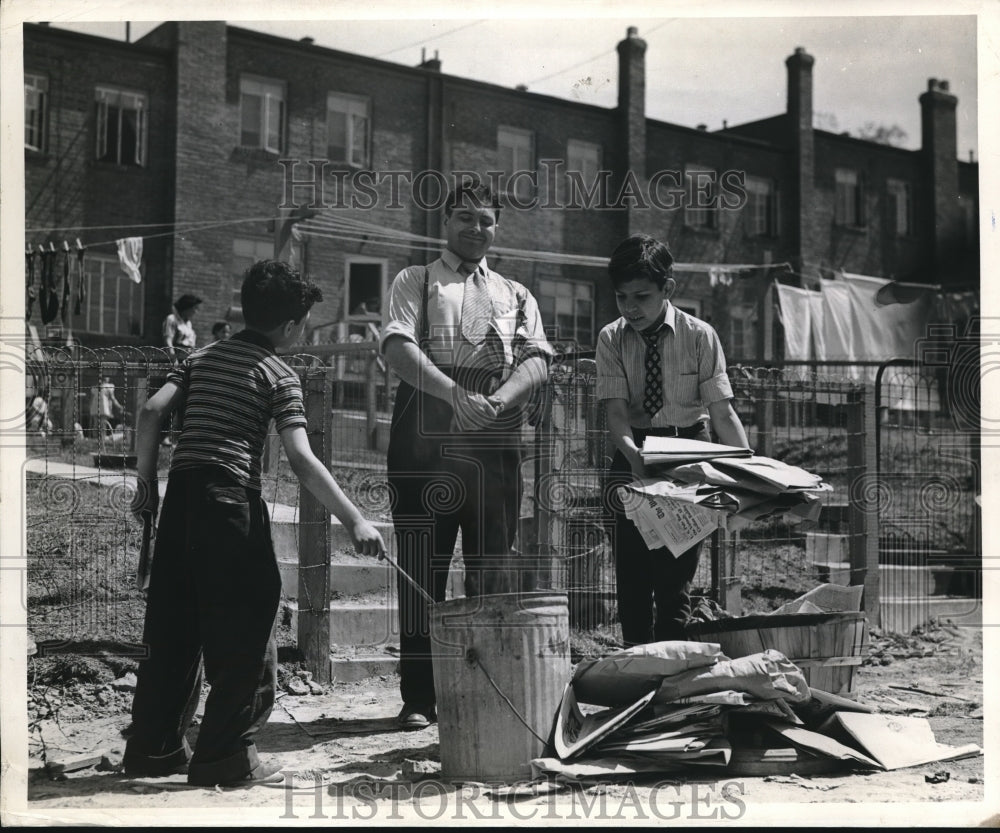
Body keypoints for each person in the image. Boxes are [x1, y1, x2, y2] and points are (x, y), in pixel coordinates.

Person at [124, 260, 385, 787]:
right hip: (229, 503)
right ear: (291, 326)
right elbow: (301, 458)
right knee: (248, 624)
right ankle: (226, 758)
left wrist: (147, 484)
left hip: (181, 501)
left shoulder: (199, 358)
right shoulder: (277, 374)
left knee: (174, 625)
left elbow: (152, 412)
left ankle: (153, 751)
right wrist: (355, 519)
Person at [380, 180, 553, 730]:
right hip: (426, 429)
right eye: (463, 217)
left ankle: (487, 688)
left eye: (485, 219)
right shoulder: (416, 280)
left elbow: (538, 359)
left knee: (492, 567)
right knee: (421, 568)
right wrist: (454, 394)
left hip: (495, 435)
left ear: (496, 227)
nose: (474, 228)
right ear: (444, 223)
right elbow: (397, 347)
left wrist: (498, 401)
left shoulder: (516, 293)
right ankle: (419, 697)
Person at [596, 233, 749, 648]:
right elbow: (615, 411)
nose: (630, 308)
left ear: (668, 289)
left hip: (688, 456)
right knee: (631, 581)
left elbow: (722, 413)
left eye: (641, 296)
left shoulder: (700, 336)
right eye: (621, 297)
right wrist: (632, 456)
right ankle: (638, 679)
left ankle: (671, 683)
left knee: (674, 581)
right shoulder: (612, 337)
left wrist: (748, 472)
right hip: (633, 456)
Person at [163, 294, 202, 365]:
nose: (195, 312)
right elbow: (168, 340)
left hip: (188, 358)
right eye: (195, 308)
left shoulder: (188, 323)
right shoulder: (172, 319)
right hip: (177, 357)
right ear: (187, 307)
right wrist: (173, 359)